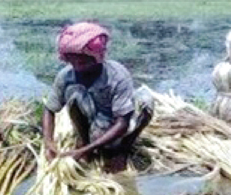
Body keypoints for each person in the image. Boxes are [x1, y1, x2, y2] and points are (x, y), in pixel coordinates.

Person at [42, 21, 153, 173]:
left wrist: (87, 150)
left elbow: (123, 123)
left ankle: (124, 149)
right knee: (74, 95)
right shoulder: (66, 76)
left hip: (114, 121)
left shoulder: (117, 76)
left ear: (96, 56)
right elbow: (49, 109)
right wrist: (49, 144)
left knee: (147, 102)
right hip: (90, 118)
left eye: (82, 58)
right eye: (72, 58)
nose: (77, 63)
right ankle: (83, 140)